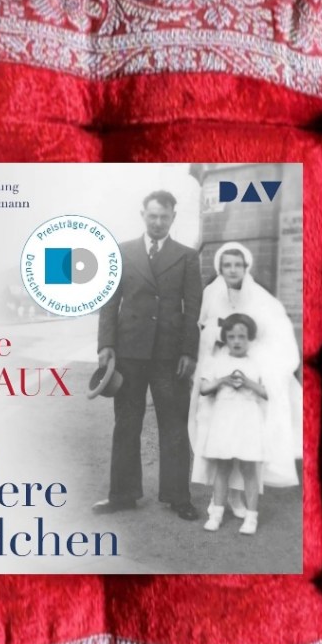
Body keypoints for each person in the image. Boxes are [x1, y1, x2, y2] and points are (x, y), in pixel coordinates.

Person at [93, 190, 202, 520]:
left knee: (174, 425)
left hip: (169, 355)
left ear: (173, 218)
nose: (157, 222)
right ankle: (122, 494)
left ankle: (178, 496)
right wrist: (106, 344)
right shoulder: (122, 251)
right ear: (143, 215)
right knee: (126, 424)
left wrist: (188, 350)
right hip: (129, 352)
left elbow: (193, 307)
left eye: (164, 217)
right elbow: (109, 302)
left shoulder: (186, 256)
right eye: (152, 216)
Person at [188, 241, 299, 519]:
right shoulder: (211, 294)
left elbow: (273, 334)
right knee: (215, 433)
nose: (232, 270)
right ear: (220, 268)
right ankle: (218, 496)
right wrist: (215, 333)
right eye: (227, 265)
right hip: (218, 367)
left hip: (247, 370)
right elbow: (201, 326)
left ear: (245, 267)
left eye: (238, 265)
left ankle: (237, 496)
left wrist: (248, 348)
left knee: (245, 437)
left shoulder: (260, 298)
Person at [197, 313, 268, 535]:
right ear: (225, 338)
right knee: (223, 467)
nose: (237, 341)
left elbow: (268, 392)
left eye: (242, 337)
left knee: (249, 468)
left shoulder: (257, 363)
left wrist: (247, 382)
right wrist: (223, 380)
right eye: (232, 337)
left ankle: (251, 517)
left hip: (248, 417)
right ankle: (216, 514)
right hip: (224, 417)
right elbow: (204, 389)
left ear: (250, 338)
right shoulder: (216, 361)